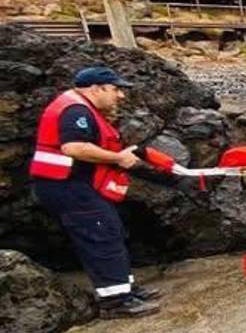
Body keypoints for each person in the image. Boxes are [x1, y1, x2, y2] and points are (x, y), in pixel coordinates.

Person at [30, 66, 159, 318]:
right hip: (65, 185)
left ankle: (124, 288)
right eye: (115, 89)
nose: (120, 96)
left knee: (111, 230)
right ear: (96, 89)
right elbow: (74, 147)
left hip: (75, 184)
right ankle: (115, 302)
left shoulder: (81, 107)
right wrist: (118, 158)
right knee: (100, 235)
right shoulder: (75, 110)